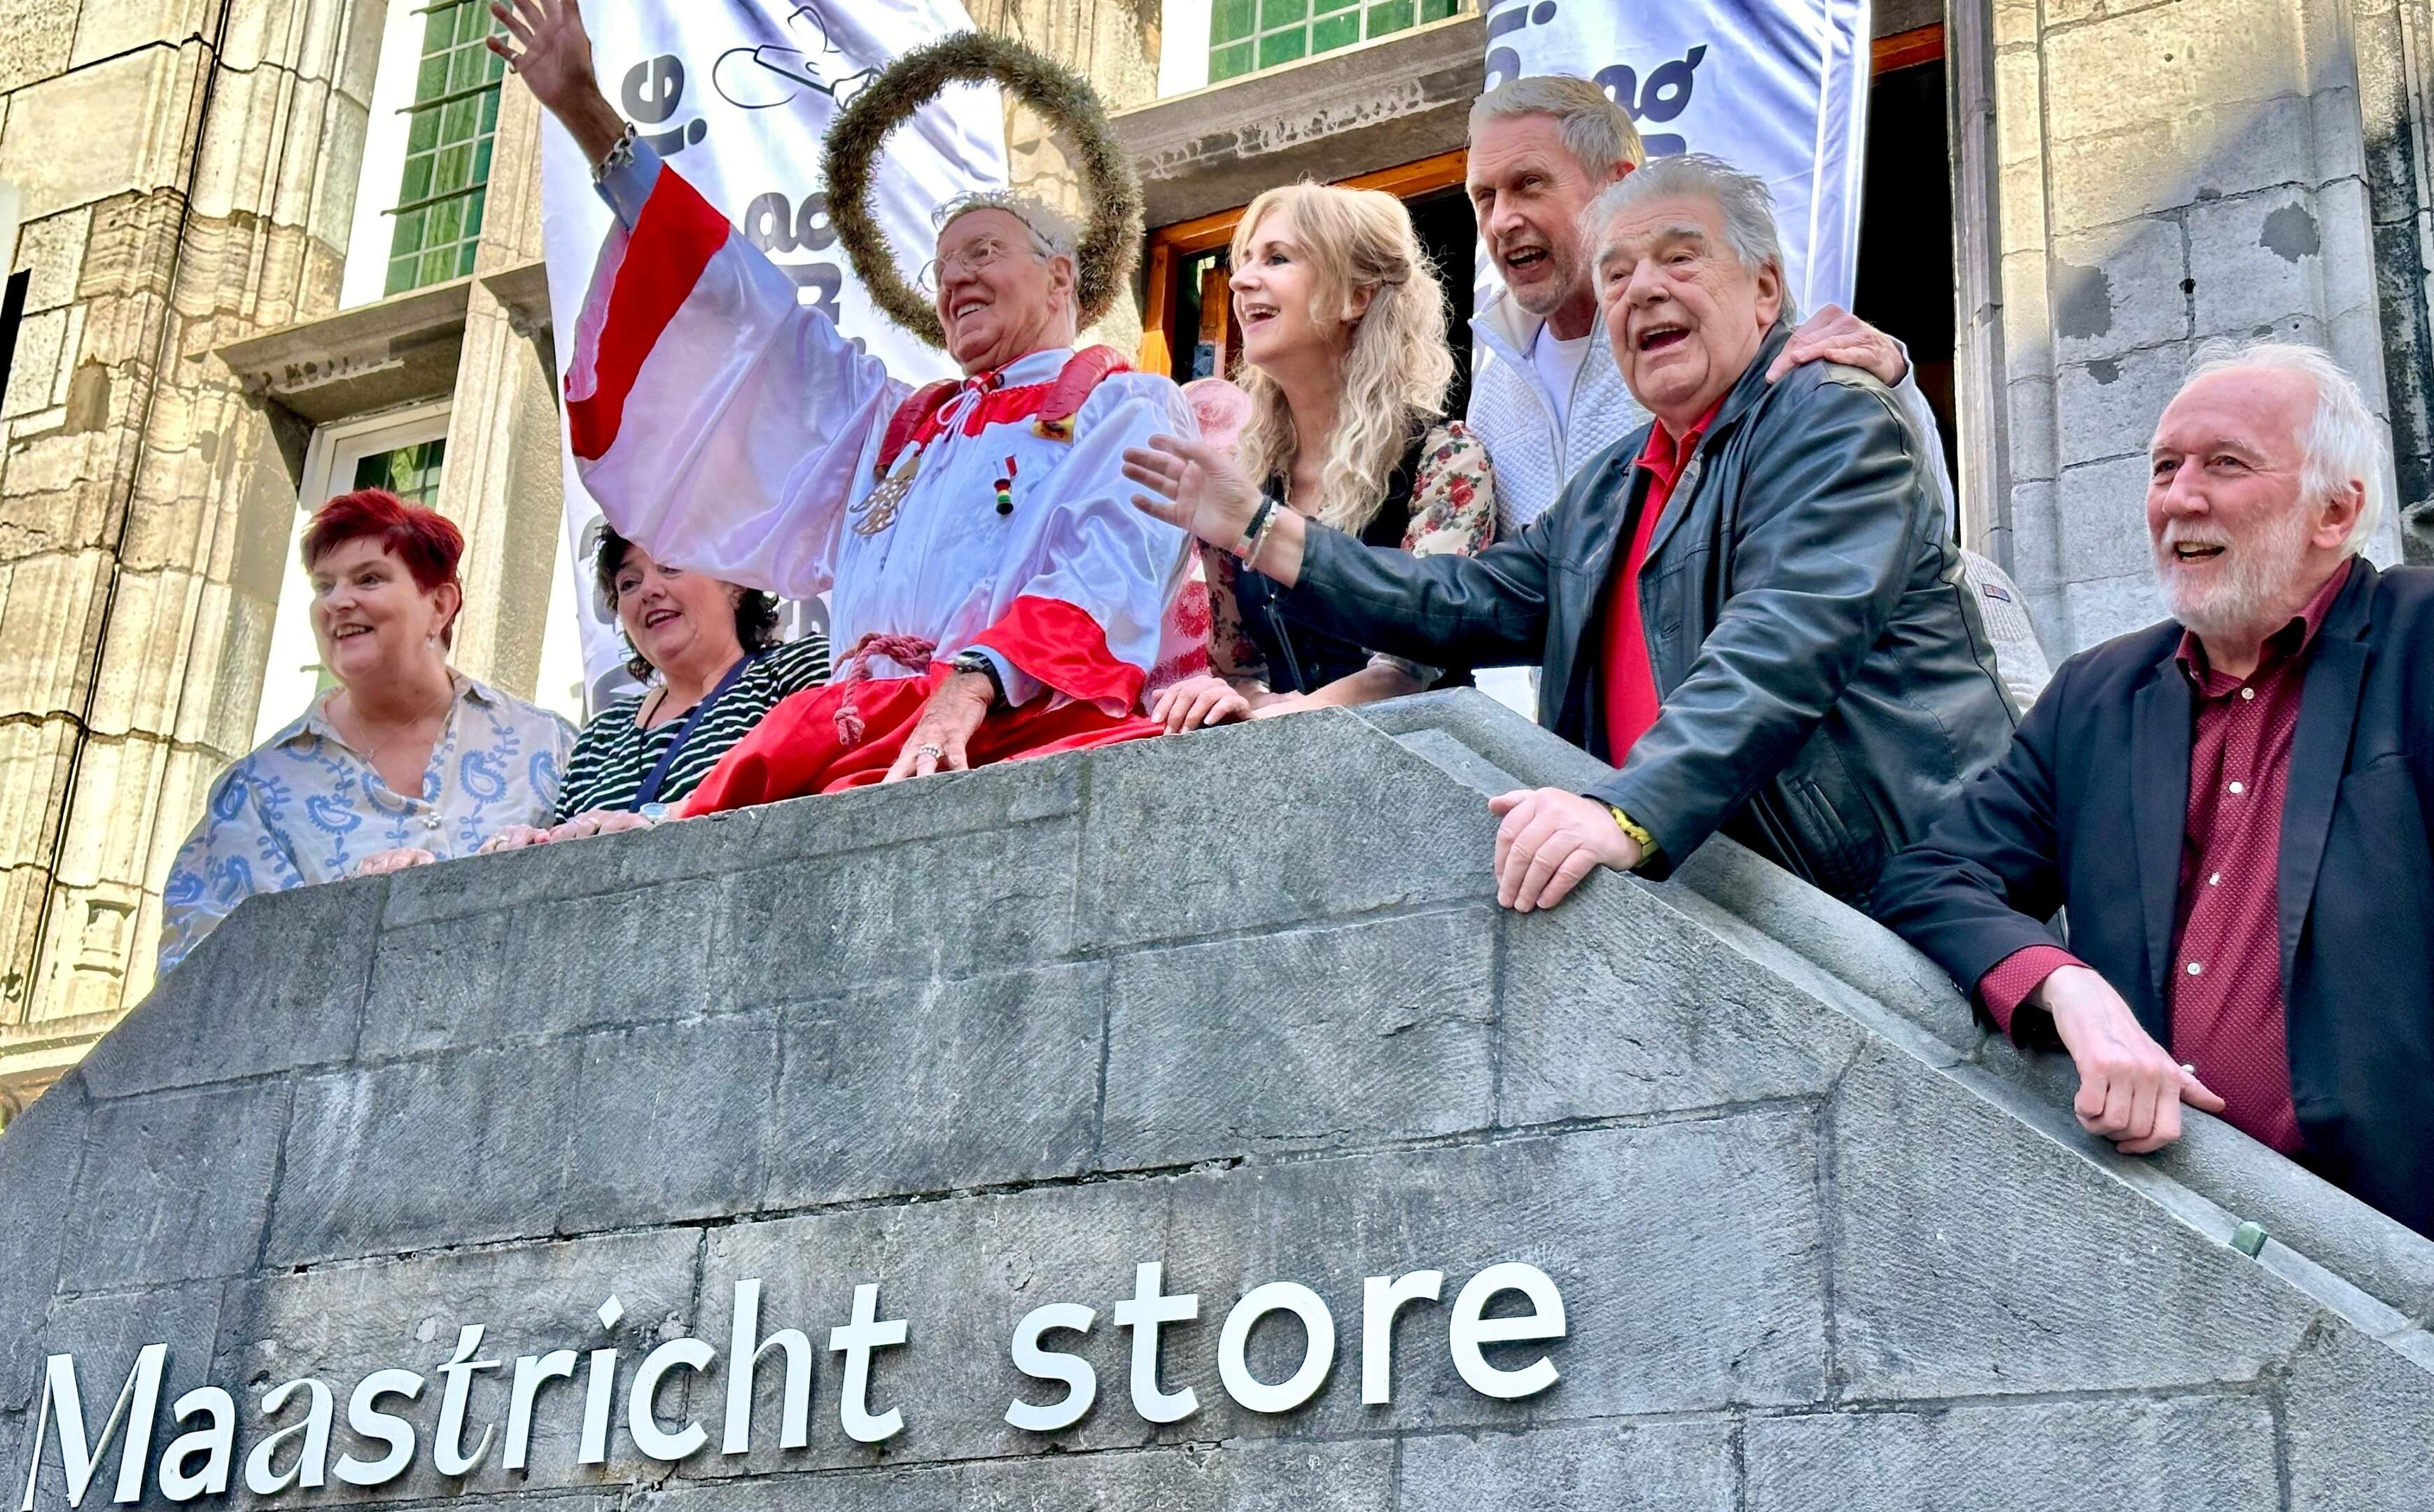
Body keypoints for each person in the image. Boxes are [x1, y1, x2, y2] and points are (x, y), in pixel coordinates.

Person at [1127, 153, 2013, 915]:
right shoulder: (1615, 484)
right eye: (1618, 274)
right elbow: (1463, 600)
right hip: (1689, 890)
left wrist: (1625, 811)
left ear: (1766, 288)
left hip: (1891, 900)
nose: (1644, 291)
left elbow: (1779, 647)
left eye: (1679, 258)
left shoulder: (1828, 414)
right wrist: (1257, 524)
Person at [492, 0, 1192, 808]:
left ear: (1061, 277)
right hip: (852, 740)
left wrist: (972, 685)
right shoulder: (892, 429)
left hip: (1005, 733)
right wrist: (589, 114)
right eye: (942, 267)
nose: (955, 279)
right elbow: (743, 306)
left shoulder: (1124, 407)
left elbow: (1107, 574)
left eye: (984, 253)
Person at [1873, 342, 2434, 1236]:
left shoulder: (2421, 638)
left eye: (2225, 465)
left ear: (2335, 511)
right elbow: (1930, 878)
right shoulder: (2098, 694)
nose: (2179, 499)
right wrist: (2066, 987)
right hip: (2166, 1219)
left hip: (2394, 1235)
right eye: (2164, 468)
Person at [1460, 74, 1949, 713]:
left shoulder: (1729, 345)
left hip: (1751, 759)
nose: (1502, 220)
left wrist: (1898, 391)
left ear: (1619, 181)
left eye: (1529, 184)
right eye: (1482, 197)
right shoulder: (1493, 393)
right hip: (1590, 766)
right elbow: (1500, 595)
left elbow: (1911, 525)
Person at [158, 489, 573, 973]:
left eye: (369, 578)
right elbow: (199, 980)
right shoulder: (255, 793)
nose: (338, 601)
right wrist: (351, 912)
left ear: (439, 605)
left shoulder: (548, 744)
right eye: (323, 586)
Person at [1150, 183, 1496, 734]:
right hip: (1293, 768)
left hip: (1423, 765)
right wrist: (1215, 698)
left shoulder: (1443, 455)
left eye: (1278, 258)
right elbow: (1240, 667)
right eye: (1243, 261)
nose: (1240, 280)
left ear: (1355, 297)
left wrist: (1273, 719)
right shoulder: (1243, 476)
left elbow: (1408, 666)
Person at [482, 527, 832, 850]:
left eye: (670, 566)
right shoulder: (600, 738)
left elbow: (835, 791)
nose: (649, 591)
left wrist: (664, 817)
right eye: (629, 584)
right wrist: (531, 845)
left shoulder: (796, 672)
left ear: (735, 582)